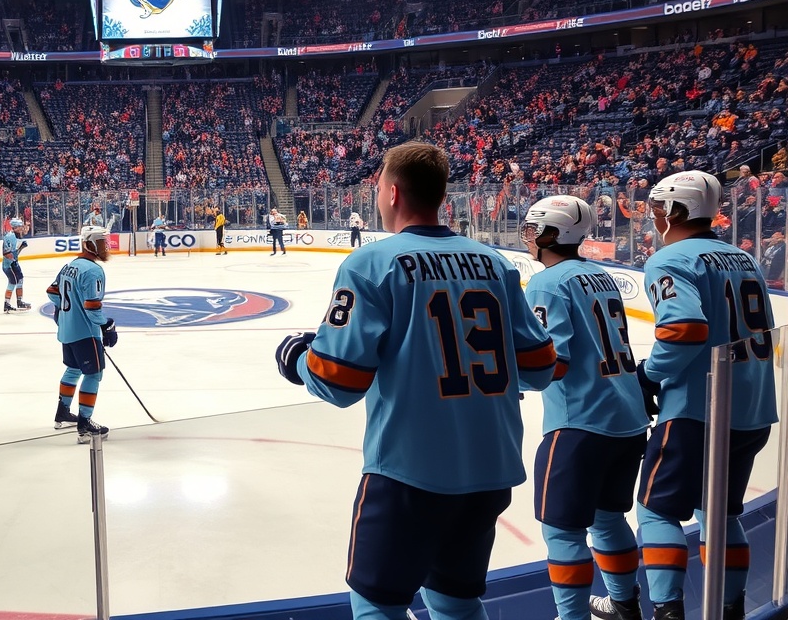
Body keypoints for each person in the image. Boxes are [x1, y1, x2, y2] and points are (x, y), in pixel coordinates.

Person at [273, 142, 556, 620]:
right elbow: (541, 366)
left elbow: (338, 380)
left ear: (392, 193)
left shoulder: (371, 264)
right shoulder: (495, 264)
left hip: (409, 472)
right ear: (441, 195)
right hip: (490, 467)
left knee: (377, 604)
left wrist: (297, 359)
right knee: (455, 601)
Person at [592, 172, 778, 620]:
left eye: (658, 207)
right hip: (753, 405)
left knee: (656, 511)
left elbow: (683, 328)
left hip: (698, 410)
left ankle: (668, 612)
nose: (652, 214)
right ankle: (730, 609)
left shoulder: (670, 259)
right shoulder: (742, 257)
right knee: (720, 512)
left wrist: (649, 376)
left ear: (677, 211)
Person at [519, 196, 650, 620]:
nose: (527, 235)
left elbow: (553, 362)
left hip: (580, 423)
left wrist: (507, 380)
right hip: (627, 419)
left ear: (552, 234)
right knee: (608, 520)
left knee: (562, 530)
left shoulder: (547, 282)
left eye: (533, 228)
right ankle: (625, 605)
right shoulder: (601, 276)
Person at [46, 225, 117, 443]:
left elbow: (52, 292)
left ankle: (62, 413)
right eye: (102, 242)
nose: (106, 246)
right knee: (94, 374)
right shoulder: (93, 271)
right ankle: (84, 425)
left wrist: (65, 312)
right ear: (90, 244)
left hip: (67, 330)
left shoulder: (70, 266)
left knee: (73, 369)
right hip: (85, 333)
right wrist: (106, 325)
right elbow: (92, 307)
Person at [2, 217, 31, 312]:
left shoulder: (16, 236)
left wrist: (21, 248)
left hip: (13, 263)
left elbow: (14, 253)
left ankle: (19, 301)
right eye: (19, 226)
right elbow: (6, 253)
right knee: (13, 282)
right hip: (9, 265)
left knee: (20, 280)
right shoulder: (10, 236)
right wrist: (13, 260)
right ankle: (6, 303)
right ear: (15, 227)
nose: (21, 228)